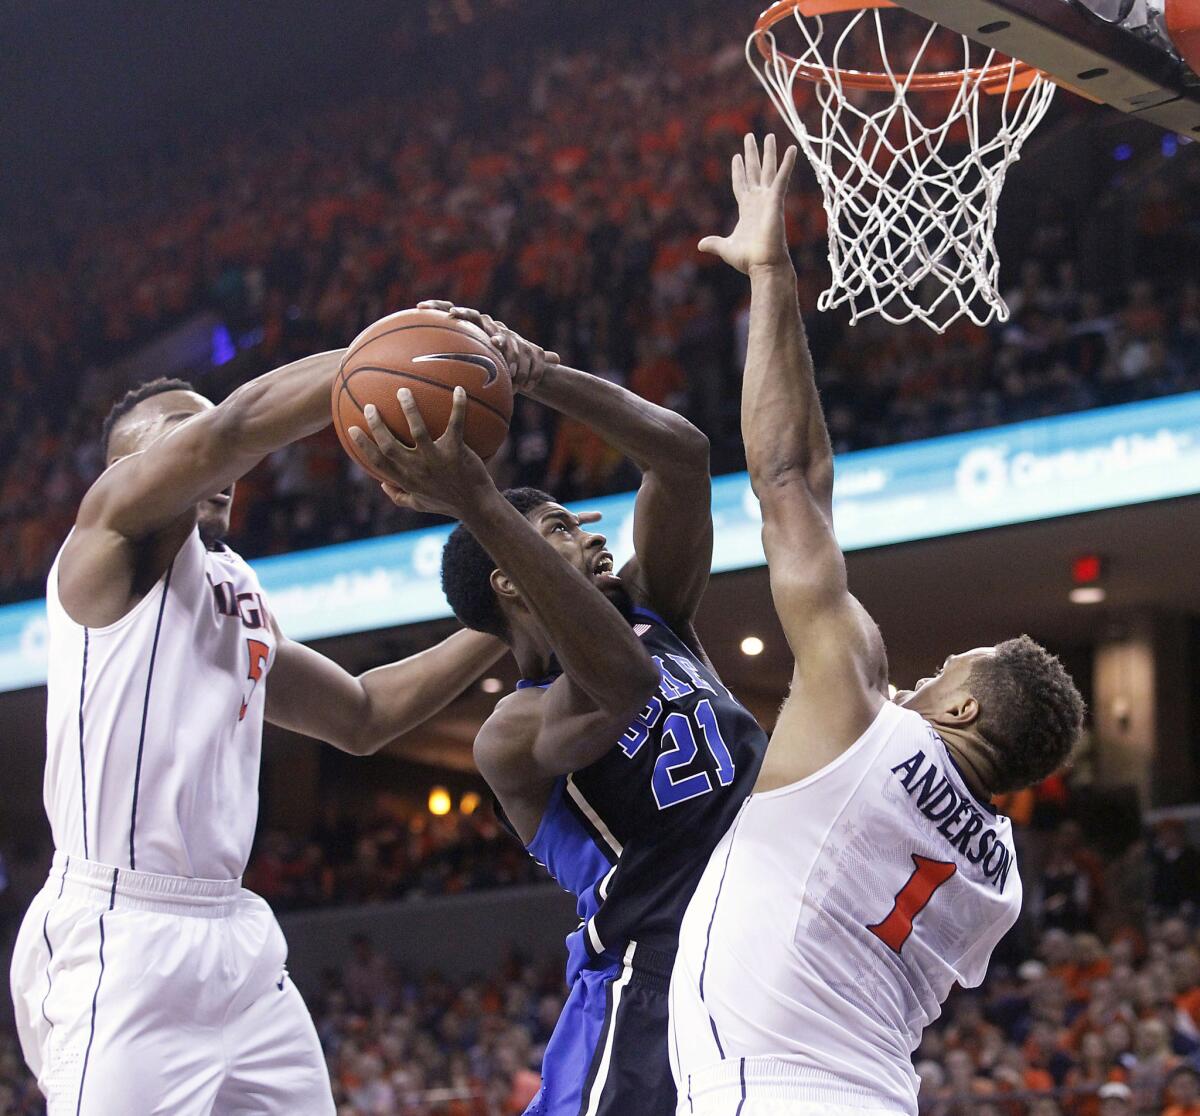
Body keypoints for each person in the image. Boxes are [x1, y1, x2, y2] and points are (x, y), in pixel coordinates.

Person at [668, 134, 1086, 1116]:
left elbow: (786, 483)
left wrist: (771, 273)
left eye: (945, 670)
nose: (917, 677)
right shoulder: (999, 882)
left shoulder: (862, 717)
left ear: (969, 704)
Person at [9, 354, 506, 1115]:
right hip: (119, 933)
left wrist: (508, 617)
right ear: (124, 471)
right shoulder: (104, 541)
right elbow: (235, 427)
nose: (214, 451)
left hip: (235, 936)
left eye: (204, 423)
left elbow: (363, 715)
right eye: (183, 431)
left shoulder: (233, 582)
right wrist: (383, 355)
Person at [351, 303, 768, 1116]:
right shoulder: (510, 734)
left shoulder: (657, 612)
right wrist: (479, 504)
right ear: (512, 574)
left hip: (759, 959)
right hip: (650, 986)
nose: (594, 536)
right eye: (561, 530)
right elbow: (623, 687)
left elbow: (682, 458)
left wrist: (539, 375)